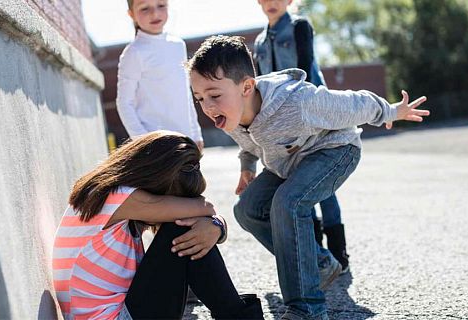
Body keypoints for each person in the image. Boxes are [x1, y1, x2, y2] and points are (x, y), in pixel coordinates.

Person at [186, 36, 429, 320]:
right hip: (289, 162)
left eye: (214, 95)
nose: (208, 106)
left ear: (247, 87)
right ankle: (319, 263)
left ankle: (308, 309)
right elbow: (248, 142)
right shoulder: (230, 111)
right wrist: (247, 168)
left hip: (335, 150)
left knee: (288, 203)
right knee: (247, 210)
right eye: (199, 98)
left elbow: (353, 103)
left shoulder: (297, 102)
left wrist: (390, 111)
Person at [52, 131, 264, 319]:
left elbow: (206, 213)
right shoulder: (117, 197)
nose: (173, 209)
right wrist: (214, 223)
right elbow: (205, 207)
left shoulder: (109, 197)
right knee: (182, 228)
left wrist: (216, 227)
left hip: (121, 312)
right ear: (155, 180)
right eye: (174, 200)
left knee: (188, 228)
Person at [253, 0, 349, 271]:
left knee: (322, 184)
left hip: (313, 115)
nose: (271, 3)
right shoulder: (259, 42)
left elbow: (306, 68)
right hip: (280, 124)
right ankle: (316, 251)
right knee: (298, 183)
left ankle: (338, 253)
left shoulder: (299, 27)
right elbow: (259, 85)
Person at [116, 0, 204, 150]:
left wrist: (196, 134)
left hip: (186, 140)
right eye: (144, 8)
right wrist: (144, 142)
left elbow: (185, 94)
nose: (155, 13)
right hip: (157, 146)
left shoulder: (178, 45)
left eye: (161, 5)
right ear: (131, 14)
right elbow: (124, 103)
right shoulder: (134, 53)